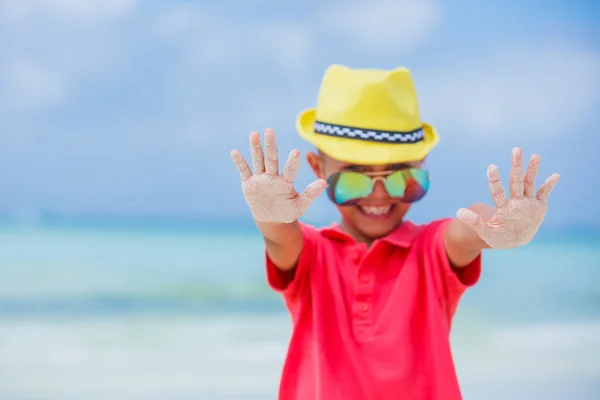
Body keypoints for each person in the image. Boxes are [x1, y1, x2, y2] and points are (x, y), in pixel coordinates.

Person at [229, 64, 560, 400]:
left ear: (422, 164)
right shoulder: (312, 253)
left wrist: (498, 225)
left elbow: (468, 227)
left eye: (401, 176)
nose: (379, 193)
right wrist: (269, 215)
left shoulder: (431, 250)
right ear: (318, 169)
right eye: (355, 176)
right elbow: (280, 236)